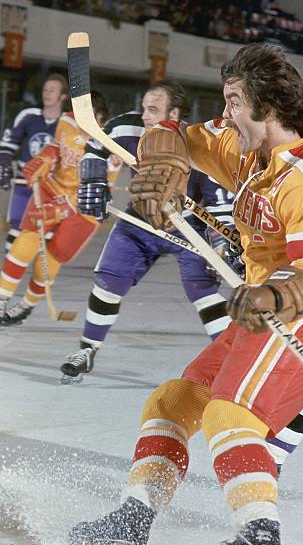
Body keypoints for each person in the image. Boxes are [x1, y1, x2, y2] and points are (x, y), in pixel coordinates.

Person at [68, 43, 303, 545]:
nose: (225, 114)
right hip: (266, 311)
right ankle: (135, 518)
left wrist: (271, 294)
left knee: (229, 414)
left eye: (233, 102)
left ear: (267, 108)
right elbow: (176, 134)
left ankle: (259, 534)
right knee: (172, 402)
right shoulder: (243, 145)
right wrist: (164, 157)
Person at [59, 79, 234, 381]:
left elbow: (218, 207)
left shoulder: (199, 143)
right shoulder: (129, 127)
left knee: (204, 292)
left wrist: (222, 244)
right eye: (144, 109)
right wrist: (93, 180)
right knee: (108, 282)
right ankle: (87, 349)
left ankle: (234, 363)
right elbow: (96, 147)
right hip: (139, 220)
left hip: (187, 226)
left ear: (175, 113)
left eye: (153, 110)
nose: (145, 117)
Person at [0, 91, 109, 324]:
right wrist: (45, 159)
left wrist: (60, 210)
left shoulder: (110, 144)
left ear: (98, 116)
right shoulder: (68, 120)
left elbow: (95, 192)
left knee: (50, 259)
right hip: (52, 188)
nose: (77, 121)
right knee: (24, 243)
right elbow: (56, 144)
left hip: (84, 209)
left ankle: (26, 305)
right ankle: (1, 299)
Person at [0, 73, 68, 251]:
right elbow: (7, 144)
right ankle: (9, 273)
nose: (47, 93)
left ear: (62, 96)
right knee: (17, 227)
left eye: (52, 90)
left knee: (47, 232)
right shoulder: (28, 115)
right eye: (45, 89)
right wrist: (4, 163)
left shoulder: (69, 122)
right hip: (25, 181)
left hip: (51, 186)